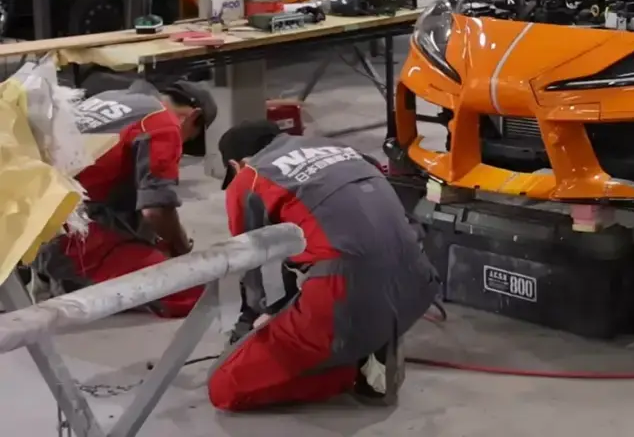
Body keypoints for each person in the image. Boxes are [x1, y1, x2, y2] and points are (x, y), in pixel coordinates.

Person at [208, 120, 439, 411]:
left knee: (224, 385)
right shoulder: (341, 149)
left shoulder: (250, 178)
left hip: (347, 296)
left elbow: (254, 265)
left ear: (236, 164)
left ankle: (348, 370)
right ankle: (374, 340)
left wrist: (260, 321)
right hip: (417, 283)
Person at [34, 78, 216, 317]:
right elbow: (156, 211)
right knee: (193, 290)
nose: (183, 145)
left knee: (147, 227)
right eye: (189, 138)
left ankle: (54, 271)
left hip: (32, 223)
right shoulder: (163, 122)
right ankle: (71, 282)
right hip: (73, 235)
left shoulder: (107, 98)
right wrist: (181, 248)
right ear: (194, 116)